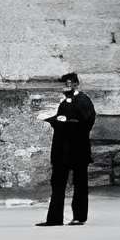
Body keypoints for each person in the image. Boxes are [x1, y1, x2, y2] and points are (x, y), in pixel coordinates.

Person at [38, 71, 95, 226]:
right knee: (57, 183)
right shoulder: (64, 102)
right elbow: (60, 119)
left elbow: (86, 123)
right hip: (62, 149)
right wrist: (56, 120)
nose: (65, 87)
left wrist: (68, 121)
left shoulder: (83, 100)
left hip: (78, 148)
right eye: (64, 84)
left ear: (76, 83)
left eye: (68, 83)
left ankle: (79, 216)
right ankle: (54, 218)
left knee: (80, 183)